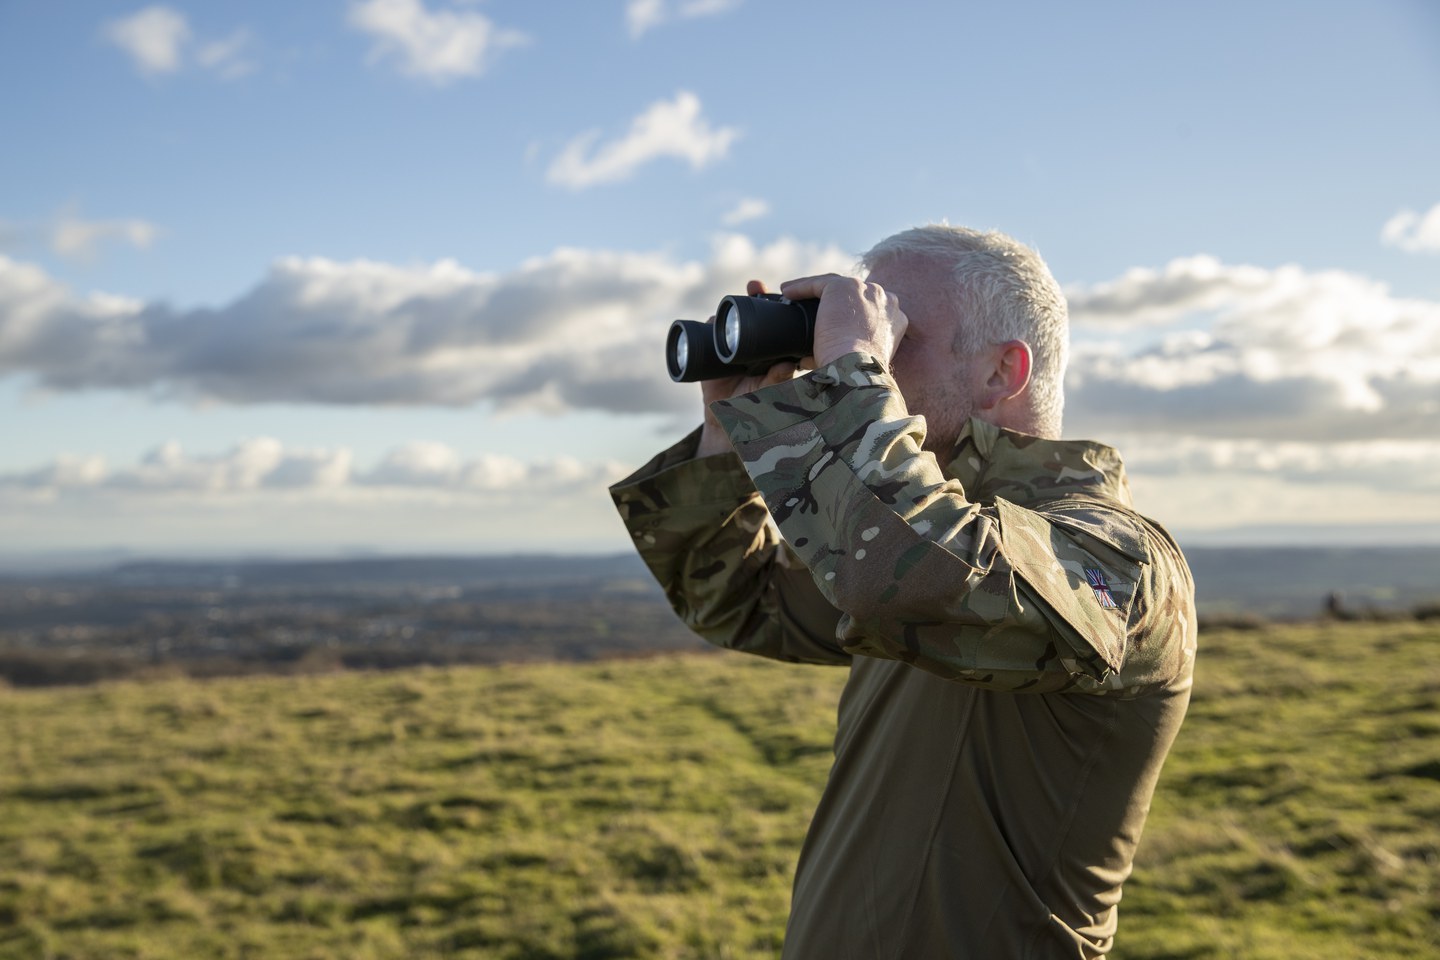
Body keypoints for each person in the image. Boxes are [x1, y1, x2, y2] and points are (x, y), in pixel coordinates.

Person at [610, 224, 1196, 958]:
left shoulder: (1123, 561)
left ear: (1000, 372)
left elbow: (922, 570)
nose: (847, 355)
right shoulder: (895, 542)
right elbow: (738, 599)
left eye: (892, 332)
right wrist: (727, 441)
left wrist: (851, 370)